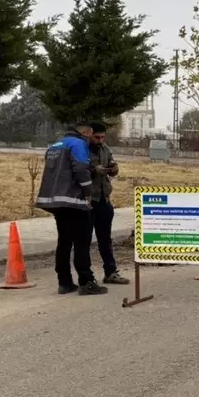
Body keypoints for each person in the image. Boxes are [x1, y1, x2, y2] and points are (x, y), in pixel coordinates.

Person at [35, 124, 108, 296]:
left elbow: (60, 171)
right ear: (85, 133)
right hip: (73, 200)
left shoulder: (56, 145)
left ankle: (64, 282)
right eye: (90, 136)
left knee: (64, 242)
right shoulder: (78, 144)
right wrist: (88, 193)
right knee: (81, 241)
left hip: (54, 201)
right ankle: (86, 282)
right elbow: (80, 169)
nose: (90, 139)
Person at [87, 122, 129, 285]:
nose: (100, 140)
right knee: (84, 240)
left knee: (105, 239)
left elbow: (114, 165)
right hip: (89, 201)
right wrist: (93, 169)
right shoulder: (83, 150)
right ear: (90, 135)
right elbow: (78, 170)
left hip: (104, 199)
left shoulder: (105, 149)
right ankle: (87, 277)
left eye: (103, 137)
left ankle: (111, 272)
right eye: (97, 137)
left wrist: (114, 169)